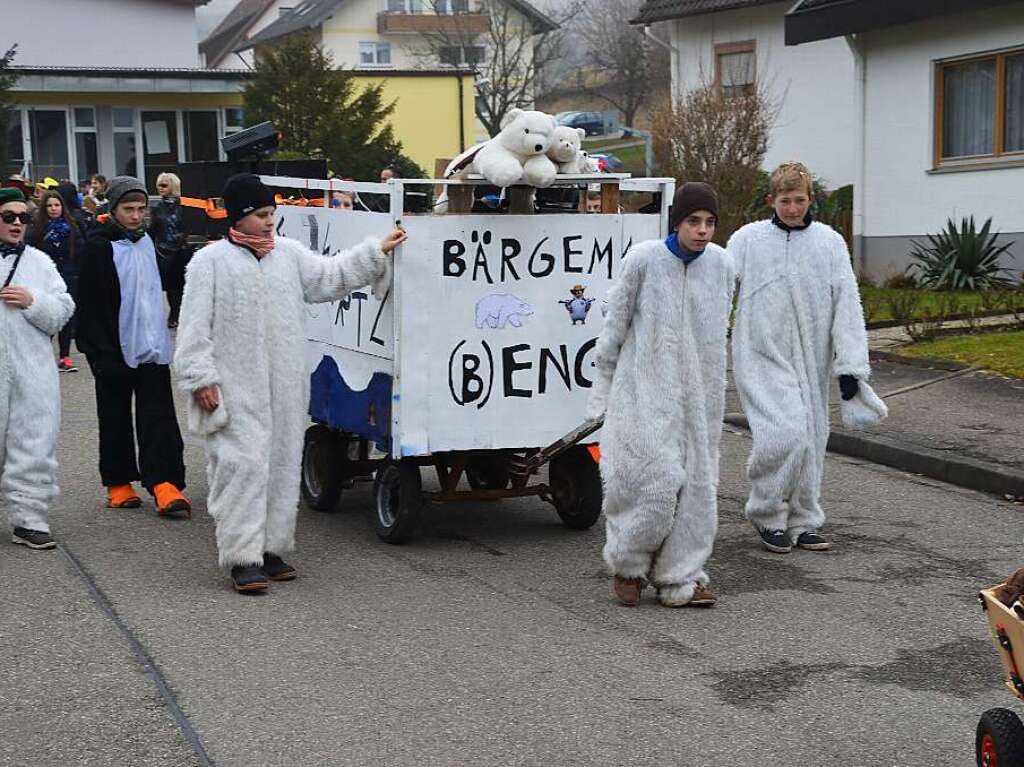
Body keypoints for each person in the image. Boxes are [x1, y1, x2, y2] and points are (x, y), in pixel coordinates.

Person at [174, 173, 406, 594]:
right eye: (262, 215)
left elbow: (330, 277)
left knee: (281, 464)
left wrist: (375, 252)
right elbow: (192, 329)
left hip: (284, 386)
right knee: (240, 468)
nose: (269, 222)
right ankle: (242, 557)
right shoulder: (209, 263)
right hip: (233, 385)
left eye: (272, 214)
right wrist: (199, 378)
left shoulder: (290, 255)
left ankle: (272, 549)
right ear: (240, 217)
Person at [586, 182, 735, 608]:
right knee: (650, 483)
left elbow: (718, 330)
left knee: (698, 489)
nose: (702, 230)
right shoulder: (644, 260)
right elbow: (614, 327)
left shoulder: (723, 265)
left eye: (709, 222)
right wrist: (603, 390)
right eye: (694, 221)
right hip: (644, 393)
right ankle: (628, 565)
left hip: (701, 399)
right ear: (677, 222)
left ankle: (681, 575)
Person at [728, 161, 872, 554]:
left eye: (800, 200)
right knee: (783, 434)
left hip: (812, 357)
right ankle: (766, 512)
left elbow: (847, 303)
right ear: (771, 200)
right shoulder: (747, 240)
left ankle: (804, 518)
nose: (793, 208)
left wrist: (851, 365)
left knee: (810, 438)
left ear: (811, 200)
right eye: (785, 200)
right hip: (759, 354)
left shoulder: (829, 243)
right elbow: (718, 287)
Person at [76, 176, 191, 517]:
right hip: (112, 346)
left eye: (141, 209)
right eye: (128, 209)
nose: (136, 216)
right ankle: (118, 481)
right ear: (113, 209)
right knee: (114, 414)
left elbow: (168, 278)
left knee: (158, 413)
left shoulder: (148, 241)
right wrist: (97, 349)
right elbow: (90, 301)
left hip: (150, 343)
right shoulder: (99, 246)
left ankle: (165, 482)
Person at [0, 187, 75, 549]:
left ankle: (29, 519)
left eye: (23, 217)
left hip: (33, 371)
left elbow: (63, 308)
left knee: (33, 442)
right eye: (8, 217)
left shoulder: (41, 262)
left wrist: (34, 301)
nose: (17, 224)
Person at [30, 190, 84, 371]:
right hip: (45, 278)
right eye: (50, 206)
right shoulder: (37, 228)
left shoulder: (71, 226)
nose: (54, 209)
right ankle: (41, 354)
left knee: (67, 318)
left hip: (69, 276)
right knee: (47, 316)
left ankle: (65, 356)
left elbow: (80, 250)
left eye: (57, 205)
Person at [149, 172, 189, 328]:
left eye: (164, 185)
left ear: (173, 186)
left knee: (181, 285)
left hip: (182, 250)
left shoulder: (184, 205)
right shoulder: (157, 207)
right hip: (163, 250)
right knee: (170, 286)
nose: (160, 188)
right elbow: (153, 229)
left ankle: (178, 314)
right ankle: (174, 314)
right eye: (159, 185)